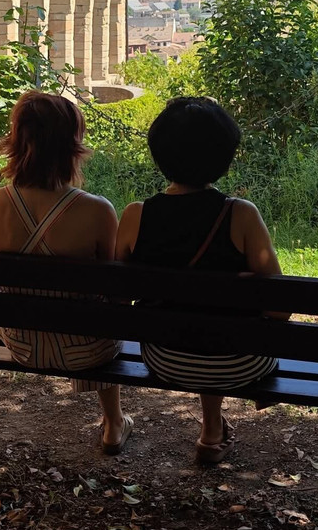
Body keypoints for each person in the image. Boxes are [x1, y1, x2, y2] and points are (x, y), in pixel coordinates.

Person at [115, 96, 289, 464]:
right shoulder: (240, 215)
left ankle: (213, 428)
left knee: (198, 322)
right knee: (221, 327)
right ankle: (213, 429)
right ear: (223, 157)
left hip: (165, 358)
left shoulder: (136, 215)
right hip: (241, 362)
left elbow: (118, 297)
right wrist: (239, 285)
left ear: (159, 154)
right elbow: (279, 309)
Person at [0, 91, 134, 453]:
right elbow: (113, 295)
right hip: (86, 351)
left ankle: (113, 421)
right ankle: (113, 423)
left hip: (22, 344)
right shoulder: (97, 211)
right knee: (101, 320)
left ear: (15, 140)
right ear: (71, 146)